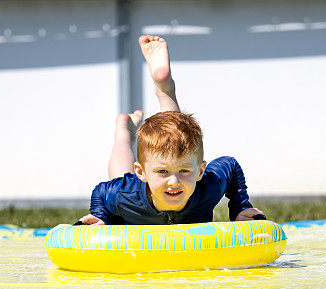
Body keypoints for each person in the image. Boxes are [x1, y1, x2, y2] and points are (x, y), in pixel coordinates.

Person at [78, 35, 265, 225]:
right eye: (163, 172)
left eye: (184, 170)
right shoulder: (126, 194)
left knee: (175, 140)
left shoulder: (207, 187)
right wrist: (101, 215)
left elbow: (230, 165)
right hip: (136, 196)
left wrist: (240, 208)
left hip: (169, 167)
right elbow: (101, 191)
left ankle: (163, 88)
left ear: (201, 170)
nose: (174, 181)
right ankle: (124, 132)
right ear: (141, 173)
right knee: (122, 174)